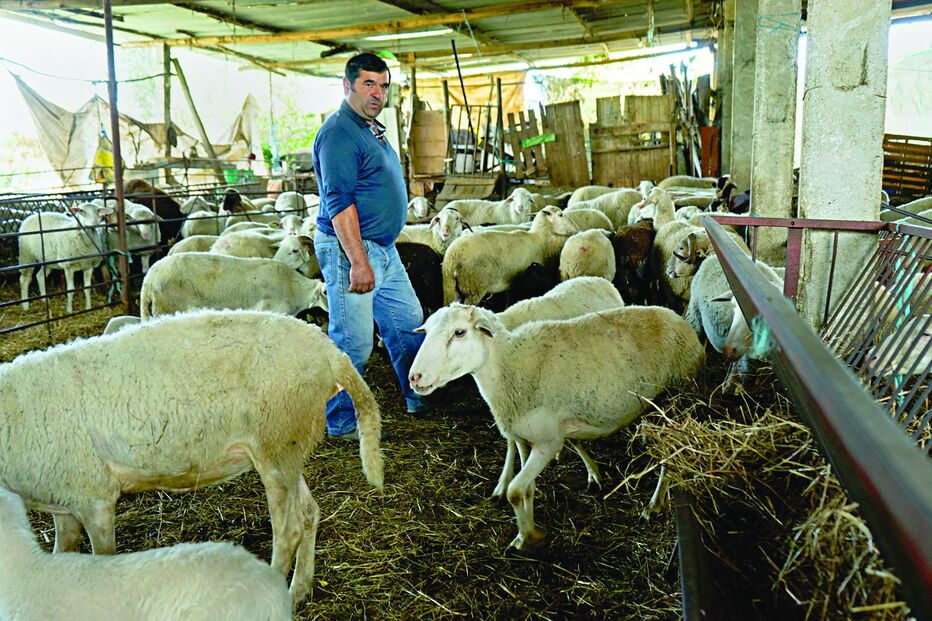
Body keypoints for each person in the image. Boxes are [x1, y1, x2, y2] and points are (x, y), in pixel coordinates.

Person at [312, 52, 427, 439]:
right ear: (347, 86)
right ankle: (340, 422)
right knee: (354, 343)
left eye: (383, 85)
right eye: (368, 84)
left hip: (382, 248)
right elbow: (339, 201)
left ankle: (419, 394)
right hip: (351, 250)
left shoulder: (370, 127)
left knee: (409, 326)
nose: (377, 93)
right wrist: (359, 262)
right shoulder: (339, 132)